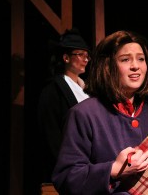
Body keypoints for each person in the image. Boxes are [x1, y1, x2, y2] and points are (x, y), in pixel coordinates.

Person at [51, 30, 148, 194]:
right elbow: (65, 178)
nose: (135, 66)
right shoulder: (84, 114)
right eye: (125, 59)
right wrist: (114, 169)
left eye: (141, 59)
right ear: (108, 66)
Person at [37, 28, 91, 183]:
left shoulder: (88, 91)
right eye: (80, 54)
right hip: (70, 168)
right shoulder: (52, 91)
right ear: (66, 57)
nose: (86, 59)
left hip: (91, 164)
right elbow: (51, 135)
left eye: (87, 56)